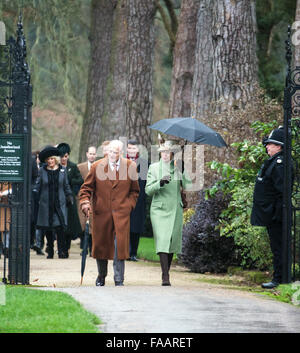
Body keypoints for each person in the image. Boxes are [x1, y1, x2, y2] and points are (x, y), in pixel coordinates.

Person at [79, 140, 139, 286]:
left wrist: (128, 206)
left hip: (121, 214)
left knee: (120, 246)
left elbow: (135, 191)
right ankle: (101, 275)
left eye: (115, 152)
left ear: (121, 153)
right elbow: (85, 189)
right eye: (110, 151)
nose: (112, 155)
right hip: (102, 214)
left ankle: (119, 279)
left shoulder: (130, 166)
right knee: (101, 246)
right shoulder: (97, 166)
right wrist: (85, 203)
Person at [145, 140, 191, 286]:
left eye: (168, 152)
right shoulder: (154, 167)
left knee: (171, 241)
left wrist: (184, 170)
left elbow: (188, 185)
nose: (165, 155)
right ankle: (165, 275)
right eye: (163, 152)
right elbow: (148, 190)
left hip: (175, 208)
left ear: (172, 154)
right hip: (159, 209)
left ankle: (167, 270)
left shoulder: (177, 167)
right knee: (163, 239)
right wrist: (160, 182)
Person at [251, 127, 285, 289]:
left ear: (279, 146)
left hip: (276, 215)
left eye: (270, 144)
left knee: (279, 247)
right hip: (272, 214)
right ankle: (278, 276)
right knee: (276, 247)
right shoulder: (274, 161)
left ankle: (279, 278)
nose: (267, 147)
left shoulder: (280, 164)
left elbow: (281, 191)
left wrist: (275, 213)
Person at [33, 146, 74, 259]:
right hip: (46, 204)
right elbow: (38, 185)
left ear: (55, 159)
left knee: (60, 228)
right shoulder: (42, 171)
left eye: (52, 159)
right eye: (48, 160)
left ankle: (62, 251)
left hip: (59, 203)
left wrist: (69, 196)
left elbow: (66, 185)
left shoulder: (62, 170)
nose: (50, 161)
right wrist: (35, 193)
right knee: (48, 229)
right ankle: (50, 251)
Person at [57, 143, 83, 255]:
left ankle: (66, 248)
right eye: (62, 156)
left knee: (69, 224)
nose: (63, 159)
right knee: (59, 224)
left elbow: (80, 180)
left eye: (66, 156)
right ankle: (60, 248)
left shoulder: (72, 166)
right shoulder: (55, 167)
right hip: (58, 199)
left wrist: (71, 184)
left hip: (69, 200)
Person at [126, 139, 148, 261]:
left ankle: (133, 252)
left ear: (138, 149)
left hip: (138, 199)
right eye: (130, 148)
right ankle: (125, 251)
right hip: (124, 199)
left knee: (136, 227)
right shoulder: (122, 162)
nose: (132, 150)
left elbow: (144, 183)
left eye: (134, 148)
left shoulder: (143, 164)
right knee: (125, 226)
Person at [77, 146, 97, 255]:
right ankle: (84, 248)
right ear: (87, 154)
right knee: (83, 223)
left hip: (95, 199)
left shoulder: (99, 166)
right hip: (84, 198)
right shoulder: (80, 167)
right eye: (90, 153)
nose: (92, 156)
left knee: (93, 225)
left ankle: (91, 248)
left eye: (94, 154)